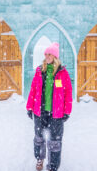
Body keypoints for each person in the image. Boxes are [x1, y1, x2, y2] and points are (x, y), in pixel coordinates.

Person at [26, 42, 73, 171]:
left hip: (56, 113)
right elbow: (33, 89)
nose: (47, 56)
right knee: (39, 138)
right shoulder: (40, 70)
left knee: (55, 141)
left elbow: (68, 92)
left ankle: (53, 166)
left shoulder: (62, 73)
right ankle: (40, 159)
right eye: (46, 54)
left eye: (49, 54)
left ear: (55, 56)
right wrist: (29, 107)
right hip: (40, 111)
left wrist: (67, 111)